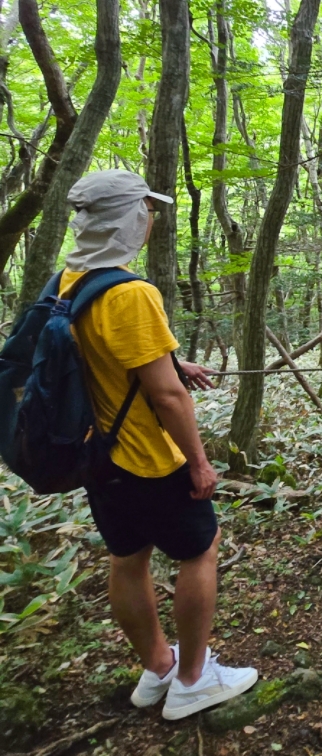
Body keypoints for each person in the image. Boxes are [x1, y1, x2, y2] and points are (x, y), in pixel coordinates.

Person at [61, 170, 256, 720]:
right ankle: (193, 679)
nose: (149, 219)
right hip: (147, 457)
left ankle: (157, 668)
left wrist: (172, 360)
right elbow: (168, 399)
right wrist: (198, 463)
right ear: (126, 219)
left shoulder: (72, 284)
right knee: (201, 551)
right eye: (144, 209)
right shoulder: (131, 292)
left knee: (128, 558)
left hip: (97, 458)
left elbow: (108, 360)